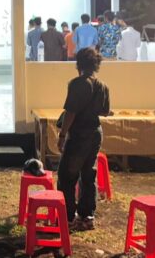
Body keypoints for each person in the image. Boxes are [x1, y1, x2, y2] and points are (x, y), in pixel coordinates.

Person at [56, 48, 110, 231]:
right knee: (88, 175)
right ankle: (87, 217)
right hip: (95, 133)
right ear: (96, 65)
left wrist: (62, 135)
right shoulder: (102, 86)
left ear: (78, 64)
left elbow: (71, 112)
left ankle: (67, 217)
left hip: (79, 134)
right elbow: (105, 111)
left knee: (67, 176)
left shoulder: (78, 84)